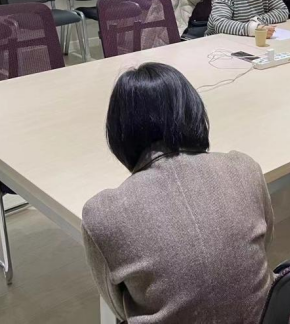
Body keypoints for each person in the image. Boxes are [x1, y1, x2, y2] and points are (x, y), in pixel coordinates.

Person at [82, 63, 274, 323]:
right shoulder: (245, 168)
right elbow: (265, 244)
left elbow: (118, 308)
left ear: (119, 132)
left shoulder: (102, 214)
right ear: (194, 110)